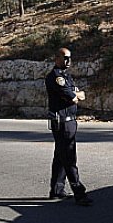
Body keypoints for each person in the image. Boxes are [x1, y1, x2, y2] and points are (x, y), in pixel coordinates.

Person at [45, 47, 93, 206]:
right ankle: (79, 192)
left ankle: (57, 190)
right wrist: (75, 94)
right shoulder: (55, 77)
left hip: (69, 121)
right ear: (56, 58)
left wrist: (76, 94)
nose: (68, 61)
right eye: (65, 58)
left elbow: (80, 95)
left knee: (60, 156)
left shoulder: (66, 76)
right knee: (69, 157)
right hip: (62, 122)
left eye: (69, 58)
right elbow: (73, 97)